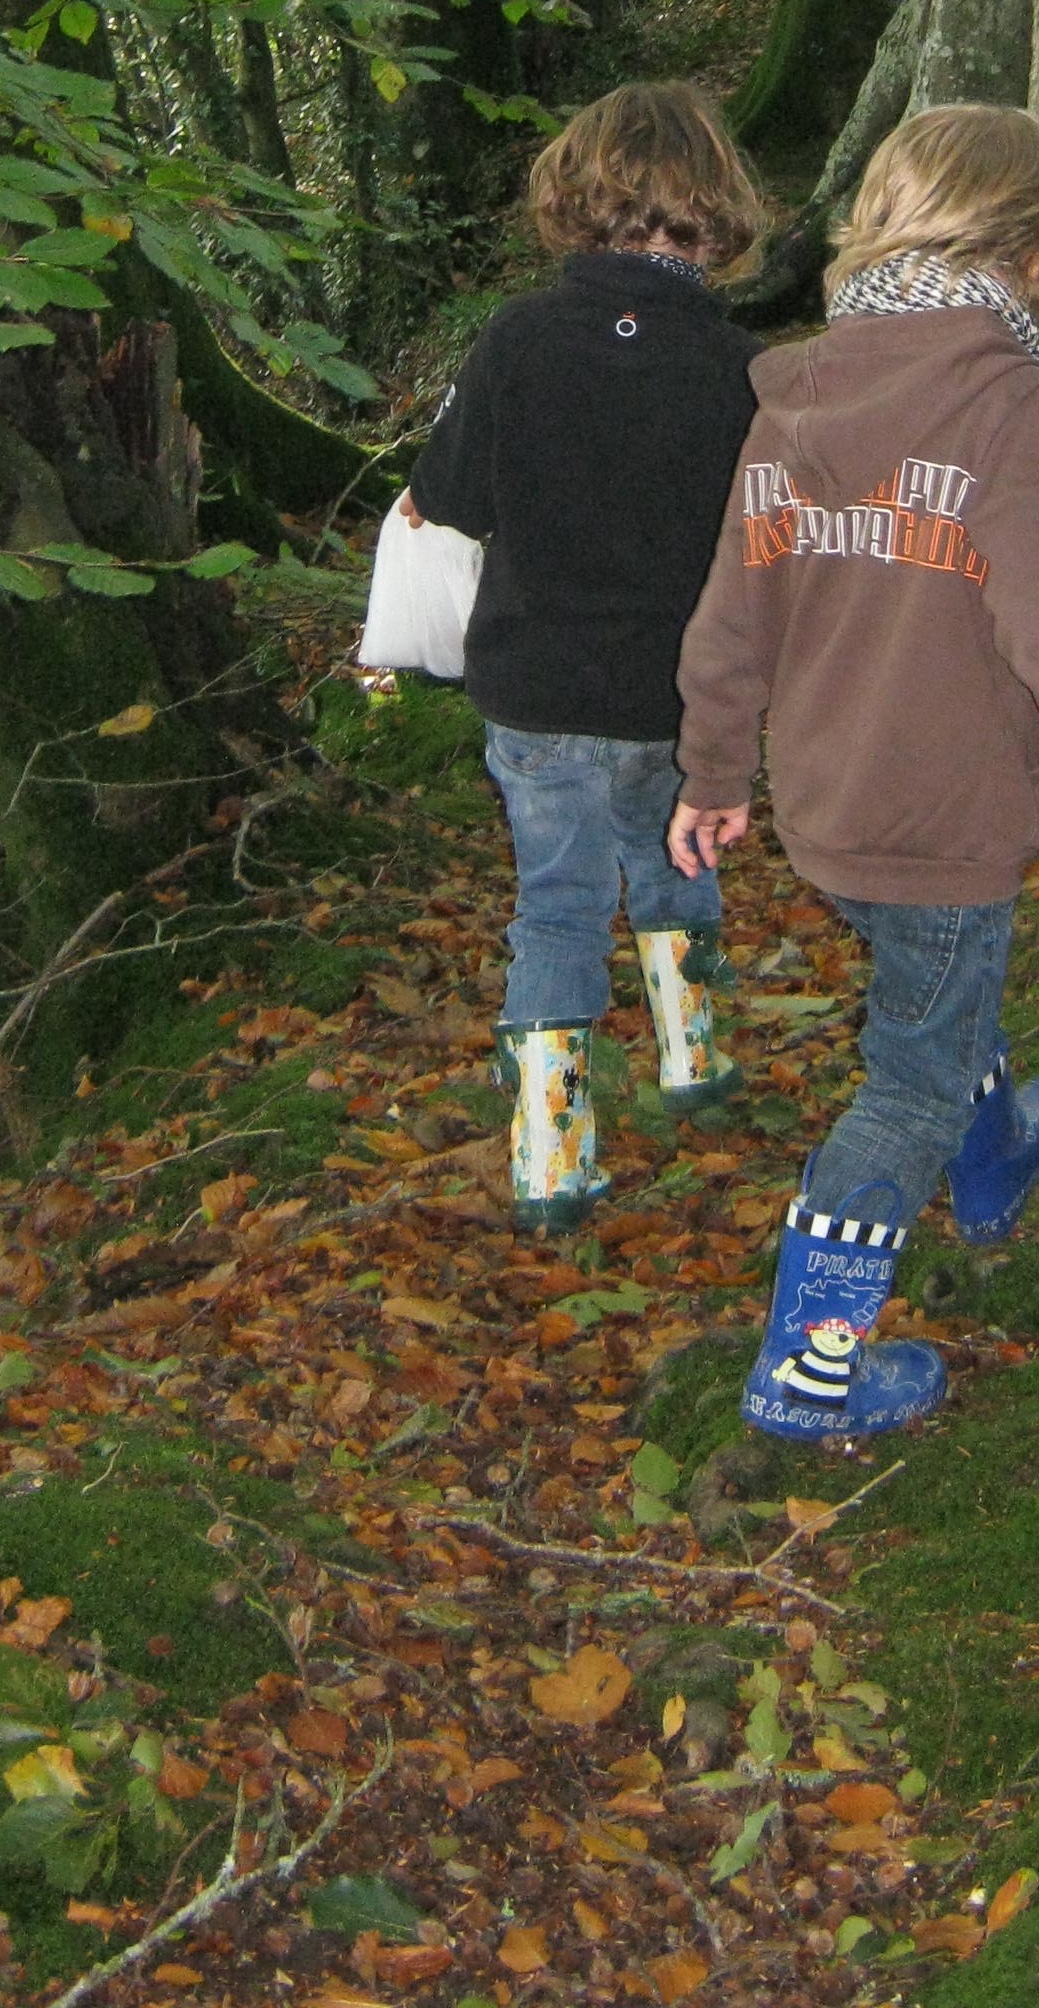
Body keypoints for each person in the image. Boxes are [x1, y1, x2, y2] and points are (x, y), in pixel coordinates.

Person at [671, 103, 1039, 1440]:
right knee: (908, 1086)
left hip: (825, 803)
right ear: (1035, 252)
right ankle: (808, 1368)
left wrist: (714, 771)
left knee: (935, 992)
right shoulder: (1010, 402)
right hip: (947, 816)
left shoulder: (799, 398)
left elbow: (730, 621)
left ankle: (994, 1160)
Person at [406, 82, 770, 1229]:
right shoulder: (741, 368)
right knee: (677, 858)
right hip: (675, 693)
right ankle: (694, 1055)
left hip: (539, 686)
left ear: (575, 197)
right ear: (717, 210)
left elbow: (450, 498)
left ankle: (552, 1155)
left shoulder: (518, 339)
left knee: (557, 907)